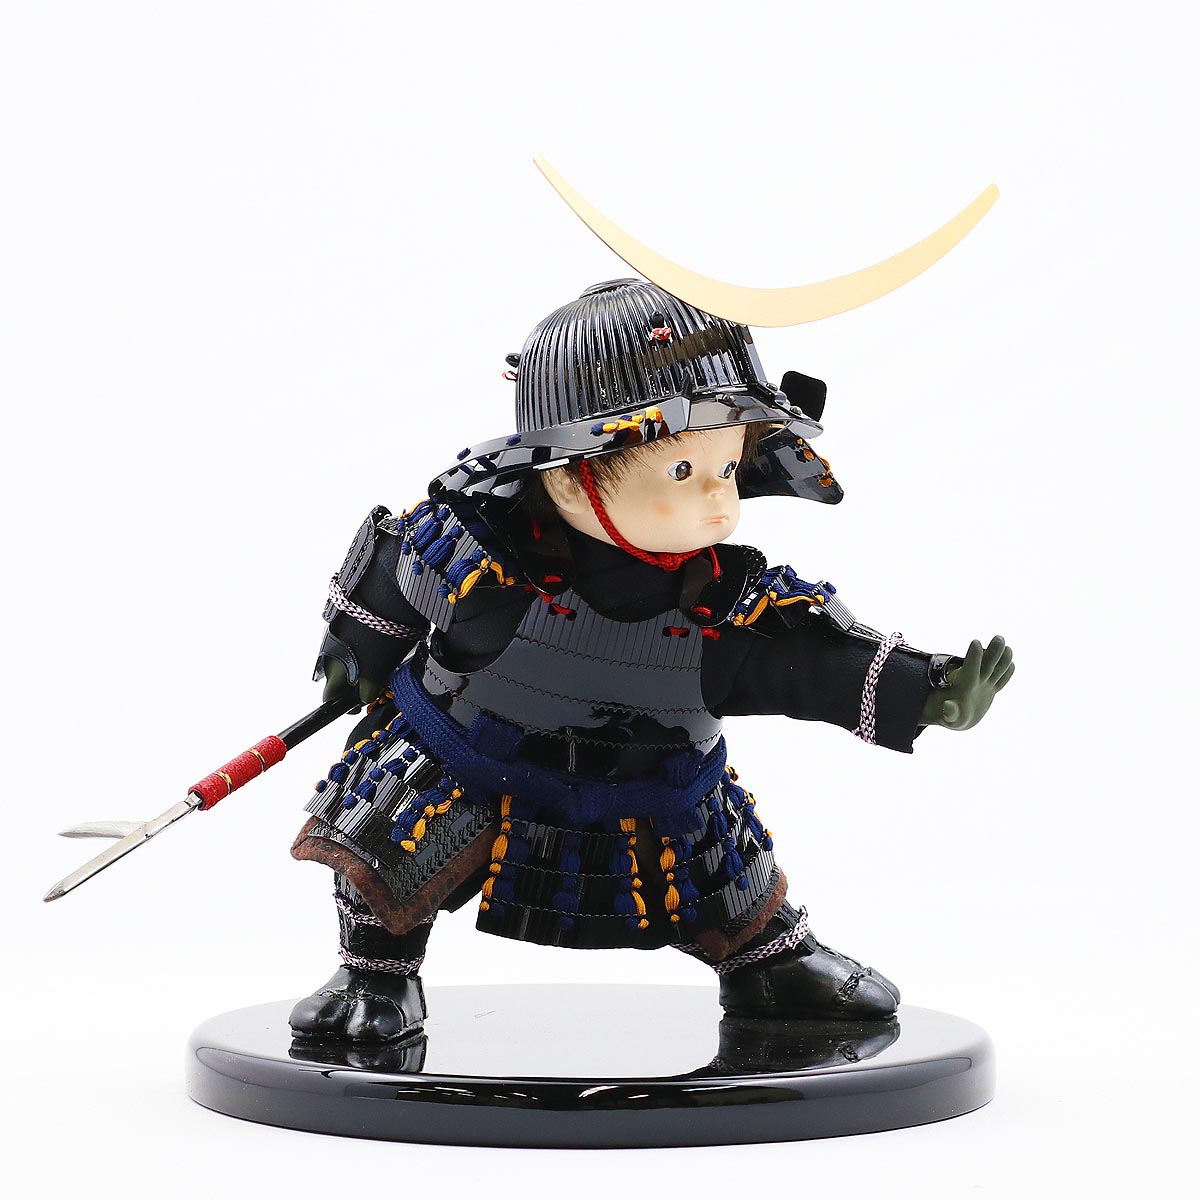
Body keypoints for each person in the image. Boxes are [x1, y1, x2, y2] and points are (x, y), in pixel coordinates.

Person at [287, 277, 1014, 1044]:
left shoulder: (726, 606)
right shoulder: (477, 560)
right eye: (682, 473)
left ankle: (769, 963)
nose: (719, 501)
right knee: (391, 838)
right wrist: (353, 656)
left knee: (723, 874)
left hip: (655, 777)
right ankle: (375, 972)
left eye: (726, 469)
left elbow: (814, 658)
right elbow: (391, 576)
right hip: (466, 754)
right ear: (569, 479)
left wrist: (927, 690)